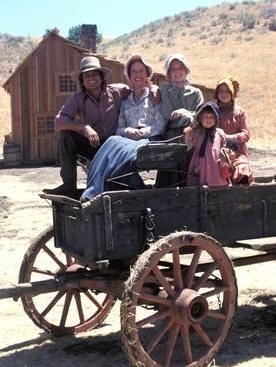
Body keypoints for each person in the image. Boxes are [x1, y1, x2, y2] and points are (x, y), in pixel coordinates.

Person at [80, 54, 166, 202]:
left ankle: (103, 192)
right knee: (111, 142)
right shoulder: (126, 100)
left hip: (150, 139)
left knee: (123, 153)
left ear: (147, 75)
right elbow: (120, 128)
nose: (137, 75)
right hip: (129, 140)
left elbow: (161, 124)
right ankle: (91, 190)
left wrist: (144, 132)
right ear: (129, 75)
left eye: (141, 71)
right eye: (134, 71)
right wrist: (128, 131)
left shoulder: (155, 96)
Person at [43, 55, 130, 197]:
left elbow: (139, 91)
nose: (91, 77)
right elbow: (59, 122)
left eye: (94, 73)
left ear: (102, 77)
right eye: (86, 75)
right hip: (93, 146)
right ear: (82, 81)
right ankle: (68, 185)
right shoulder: (77, 99)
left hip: (115, 148)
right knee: (66, 135)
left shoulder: (117, 91)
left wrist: (154, 87)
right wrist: (84, 127)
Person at [215, 75, 253, 184]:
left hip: (238, 152)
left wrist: (227, 137)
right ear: (217, 94)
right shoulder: (212, 111)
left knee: (242, 170)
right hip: (217, 151)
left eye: (227, 91)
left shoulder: (240, 112)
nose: (224, 94)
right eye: (221, 91)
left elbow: (246, 135)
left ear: (232, 93)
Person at [160, 53, 204, 139]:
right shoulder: (164, 89)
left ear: (186, 70)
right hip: (172, 134)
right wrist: (189, 116)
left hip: (194, 133)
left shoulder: (196, 92)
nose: (177, 72)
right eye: (173, 69)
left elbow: (201, 115)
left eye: (180, 68)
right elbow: (168, 114)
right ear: (168, 73)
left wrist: (184, 112)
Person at [185, 102, 229, 187]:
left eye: (212, 117)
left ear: (216, 119)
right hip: (199, 164)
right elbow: (188, 145)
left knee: (216, 180)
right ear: (200, 119)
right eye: (206, 117)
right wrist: (186, 134)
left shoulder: (219, 133)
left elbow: (224, 145)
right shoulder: (195, 132)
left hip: (215, 165)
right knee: (197, 181)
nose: (209, 120)